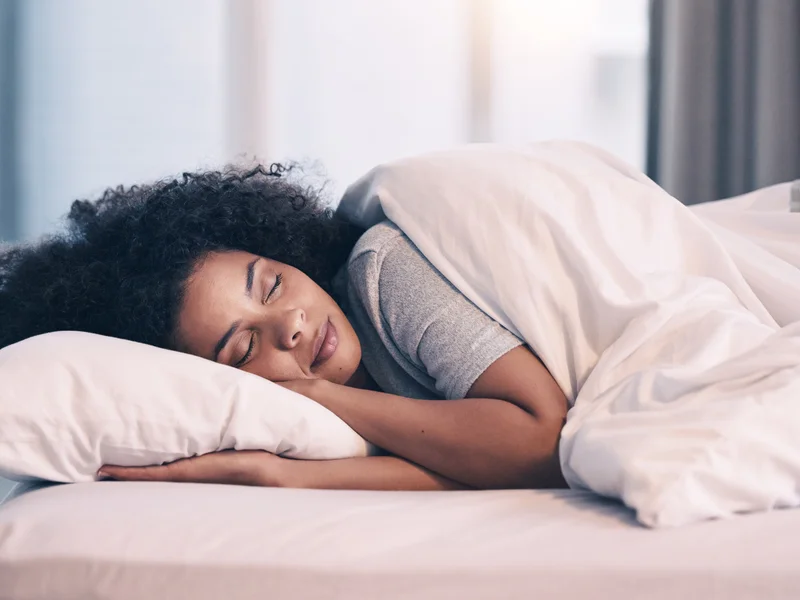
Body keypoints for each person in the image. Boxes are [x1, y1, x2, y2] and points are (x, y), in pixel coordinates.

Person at [0, 165, 568, 491]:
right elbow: (473, 470)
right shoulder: (307, 426)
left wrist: (318, 395)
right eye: (245, 346)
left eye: (270, 284)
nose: (291, 325)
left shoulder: (384, 272)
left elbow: (539, 445)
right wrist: (280, 475)